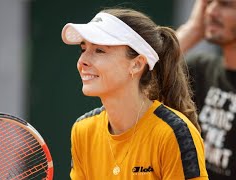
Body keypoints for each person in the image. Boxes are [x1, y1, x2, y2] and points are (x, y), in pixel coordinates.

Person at [61, 8, 208, 179]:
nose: (82, 61)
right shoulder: (83, 130)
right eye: (83, 49)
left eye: (99, 50)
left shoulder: (173, 134)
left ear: (137, 64)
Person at [176, 0, 236, 179]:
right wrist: (193, 29)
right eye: (208, 3)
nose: (210, 12)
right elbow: (135, 77)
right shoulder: (199, 69)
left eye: (225, 4)